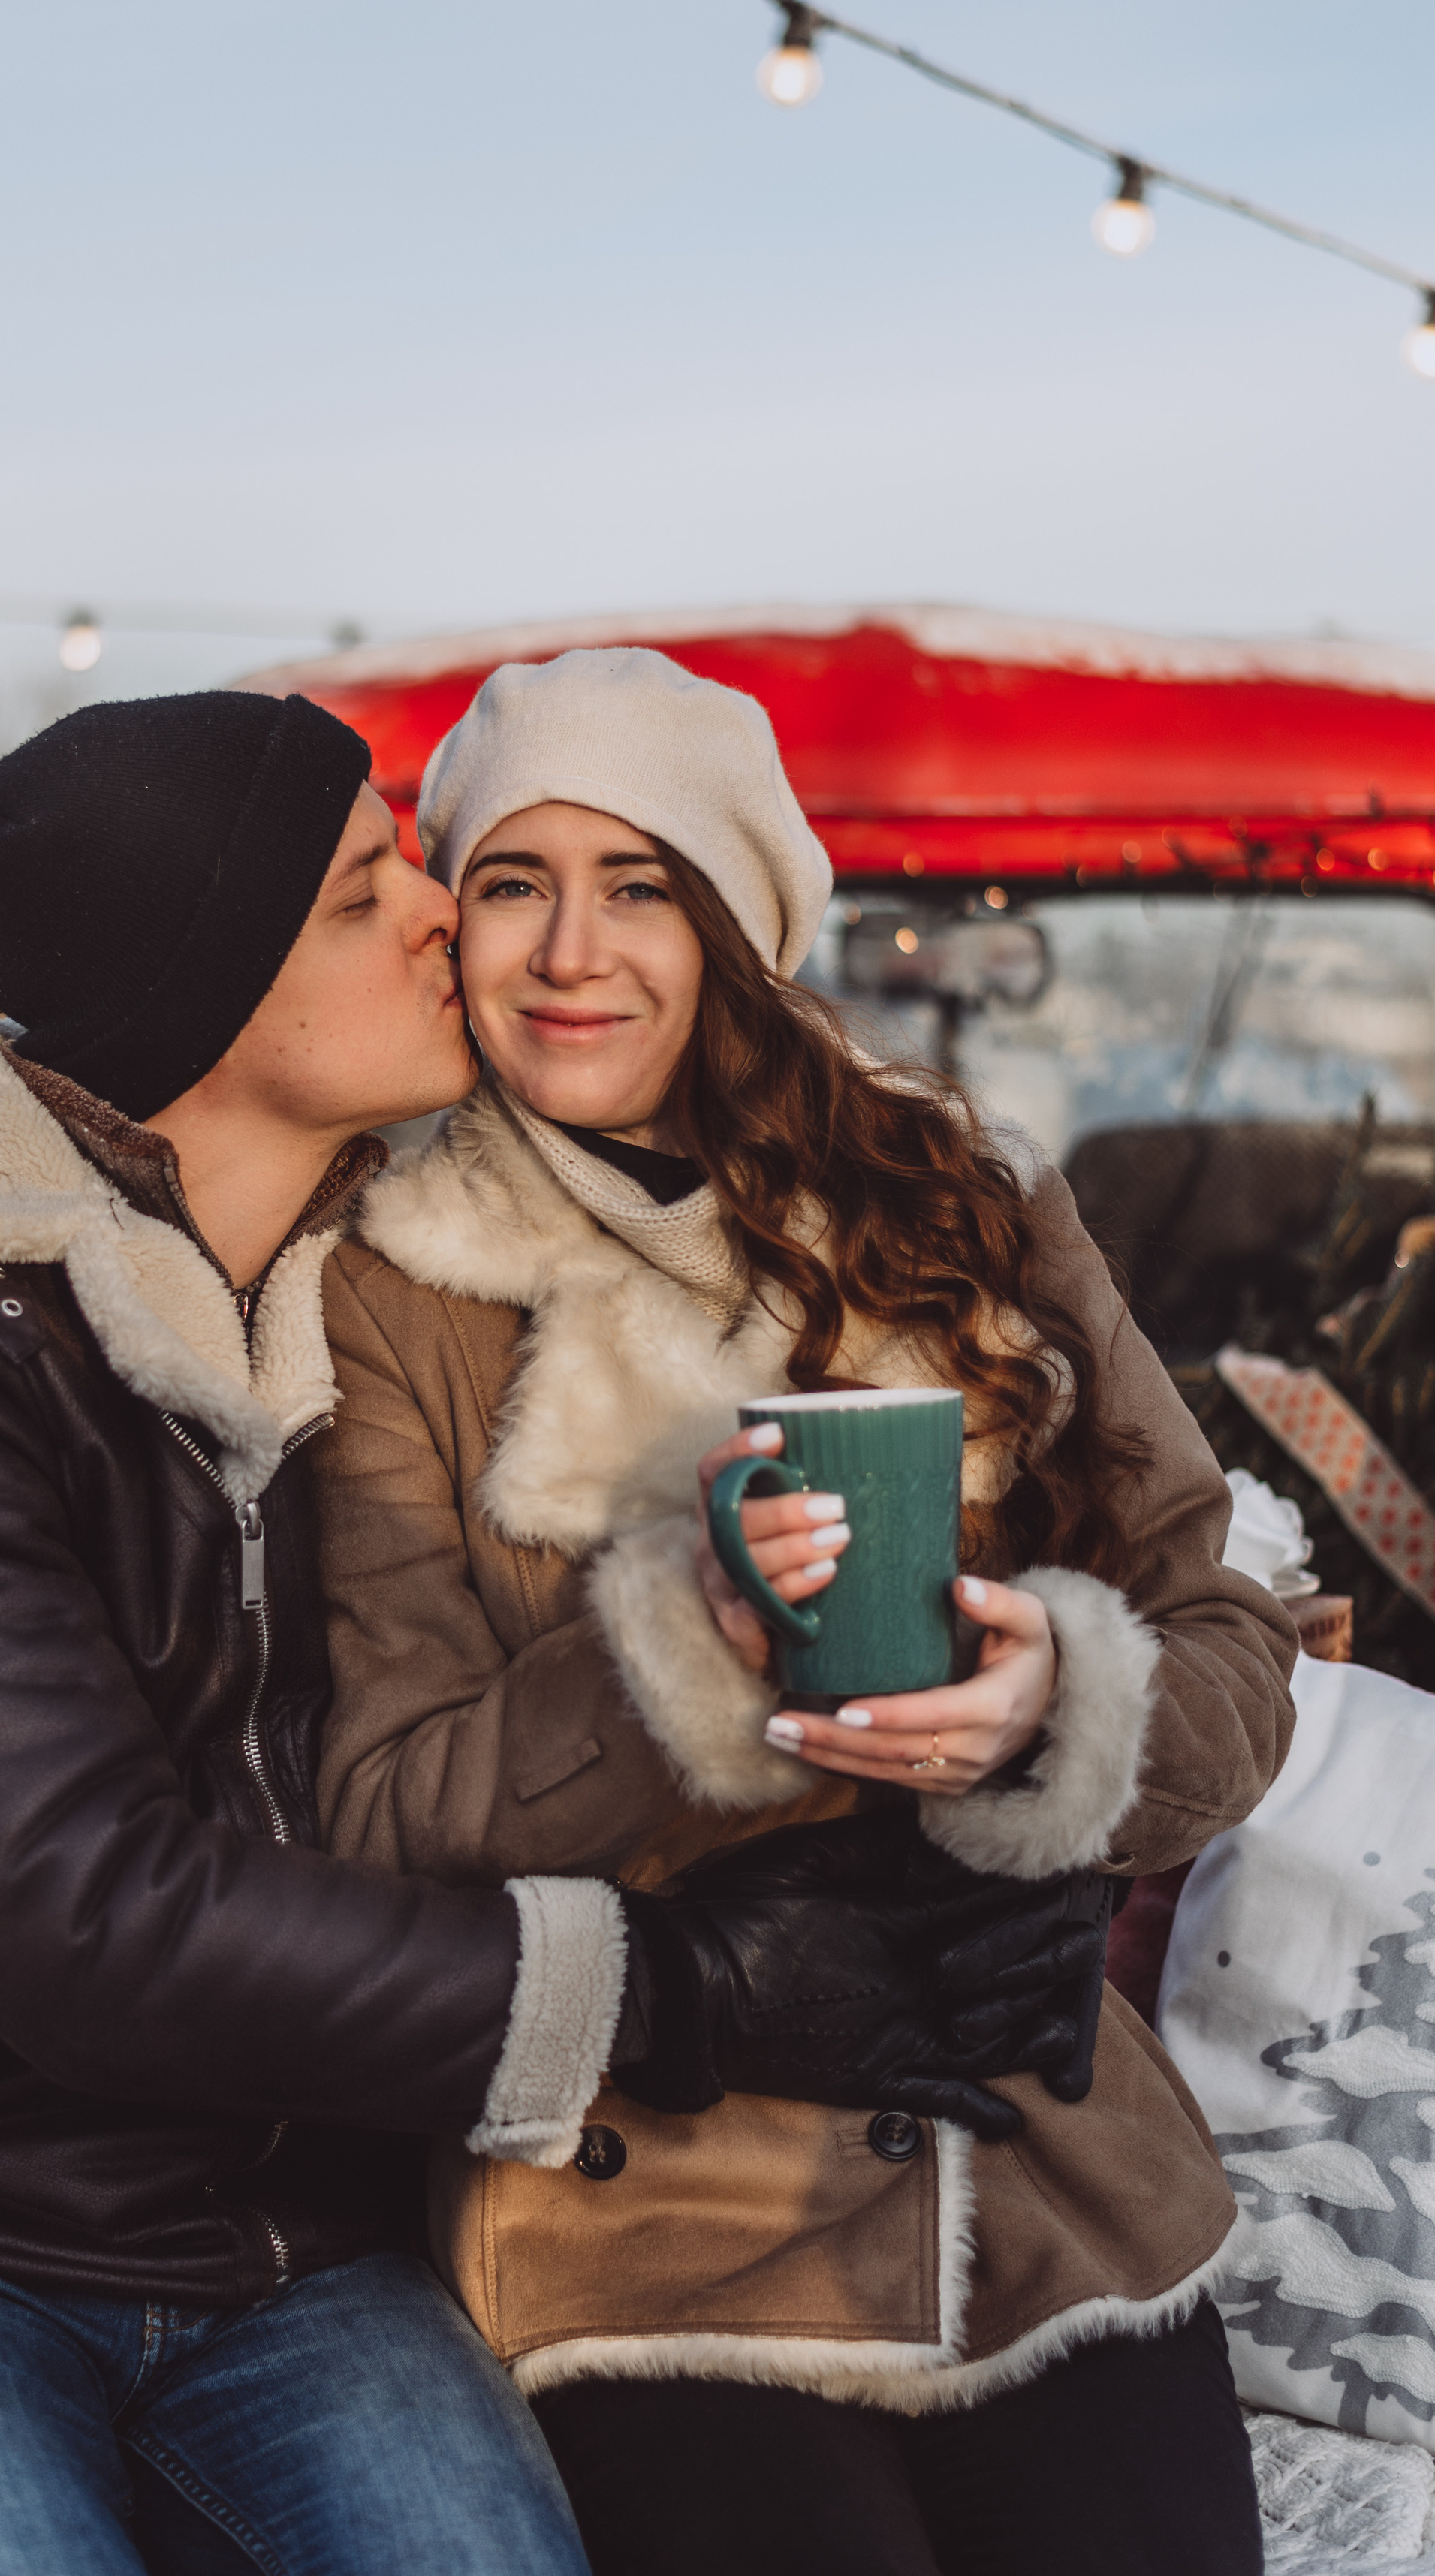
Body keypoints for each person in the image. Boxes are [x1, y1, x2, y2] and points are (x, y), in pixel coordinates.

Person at [0, 691, 1093, 2576]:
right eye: (360, 891)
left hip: (304, 2240)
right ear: (204, 990)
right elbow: (93, 1926)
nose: (435, 917)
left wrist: (966, 1739)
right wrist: (683, 1989)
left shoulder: (391, 1306)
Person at [314, 646, 1296, 2576]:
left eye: (640, 883)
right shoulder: (384, 1283)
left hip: (1032, 2151)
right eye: (512, 881)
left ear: (738, 920)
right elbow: (376, 1805)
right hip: (637, 2202)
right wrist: (679, 1626)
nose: (567, 950)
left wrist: (1052, 1721)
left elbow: (1225, 1643)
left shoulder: (971, 1209)